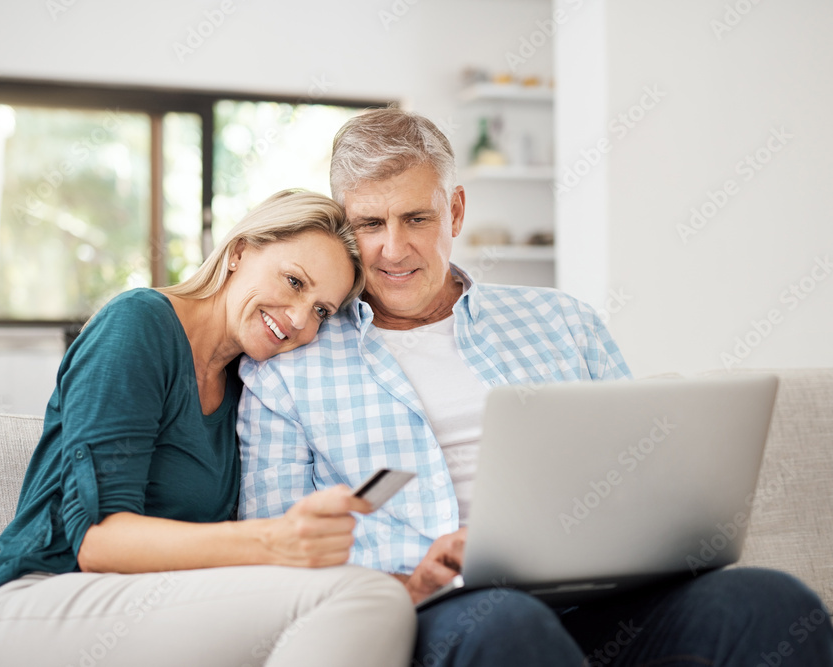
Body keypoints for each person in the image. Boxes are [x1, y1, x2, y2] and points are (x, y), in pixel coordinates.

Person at [238, 111, 833, 665]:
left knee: (772, 602)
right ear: (347, 226)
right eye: (370, 224)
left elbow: (651, 474)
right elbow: (272, 561)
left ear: (457, 211)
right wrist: (409, 585)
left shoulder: (563, 323)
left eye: (417, 218)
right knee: (510, 624)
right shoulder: (291, 365)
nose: (394, 249)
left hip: (601, 601)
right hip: (429, 613)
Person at [0, 190, 417, 667]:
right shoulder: (138, 324)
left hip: (145, 604)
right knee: (367, 598)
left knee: (375, 597)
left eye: (321, 311)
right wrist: (274, 541)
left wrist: (405, 580)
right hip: (33, 606)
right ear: (239, 252)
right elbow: (97, 542)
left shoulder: (247, 389)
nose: (298, 321)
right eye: (294, 282)